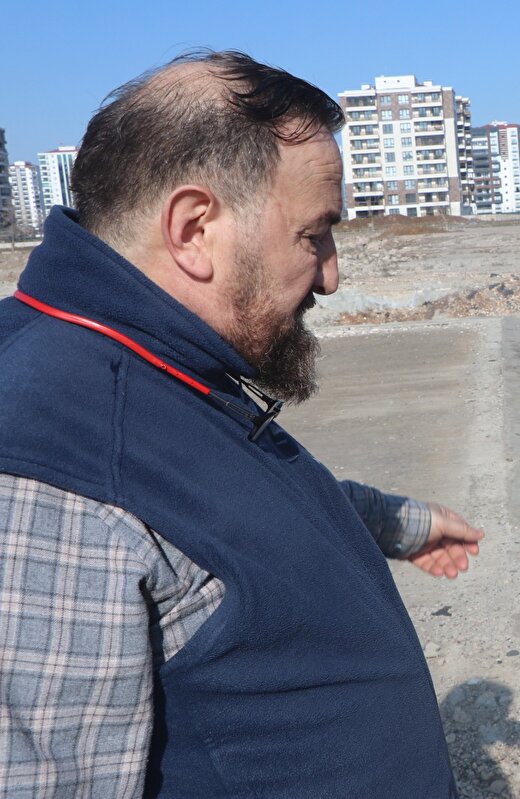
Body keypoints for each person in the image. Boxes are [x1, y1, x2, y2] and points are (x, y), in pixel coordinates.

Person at [0, 51, 482, 797]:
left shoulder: (137, 356)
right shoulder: (56, 463)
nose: (331, 274)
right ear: (195, 230)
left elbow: (224, 511)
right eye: (314, 233)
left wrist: (400, 522)